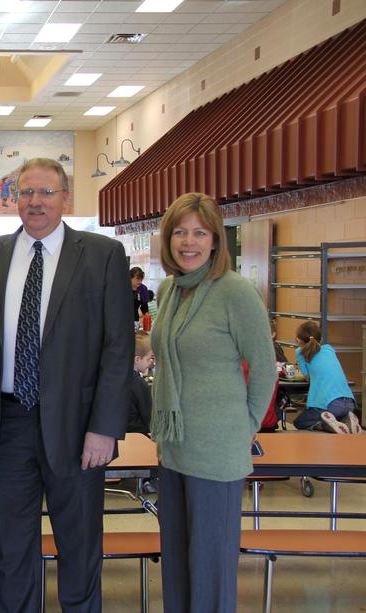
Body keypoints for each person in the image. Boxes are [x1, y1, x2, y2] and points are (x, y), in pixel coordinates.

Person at [0, 157, 132, 612]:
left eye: (46, 193)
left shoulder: (101, 255)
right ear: (15, 199)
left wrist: (105, 427)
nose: (35, 202)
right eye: (26, 193)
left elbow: (118, 347)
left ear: (65, 199)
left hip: (80, 428)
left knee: (78, 543)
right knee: (12, 547)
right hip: (8, 421)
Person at [150, 192, 275, 612]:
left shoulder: (235, 292)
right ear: (168, 239)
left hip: (217, 452)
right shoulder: (169, 290)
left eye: (200, 233)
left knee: (211, 567)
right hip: (174, 447)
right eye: (180, 232)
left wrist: (245, 427)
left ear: (216, 240)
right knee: (179, 566)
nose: (189, 241)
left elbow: (264, 367)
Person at [291, 321, 360, 434]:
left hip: (329, 404)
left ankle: (326, 425)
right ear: (321, 338)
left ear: (298, 340)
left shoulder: (300, 352)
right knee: (335, 415)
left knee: (300, 422)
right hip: (349, 402)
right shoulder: (329, 349)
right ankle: (347, 419)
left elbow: (307, 377)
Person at [128, 331, 153, 435]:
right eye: (149, 358)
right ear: (137, 359)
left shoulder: (118, 380)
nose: (151, 362)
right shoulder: (139, 385)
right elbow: (150, 418)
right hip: (138, 436)